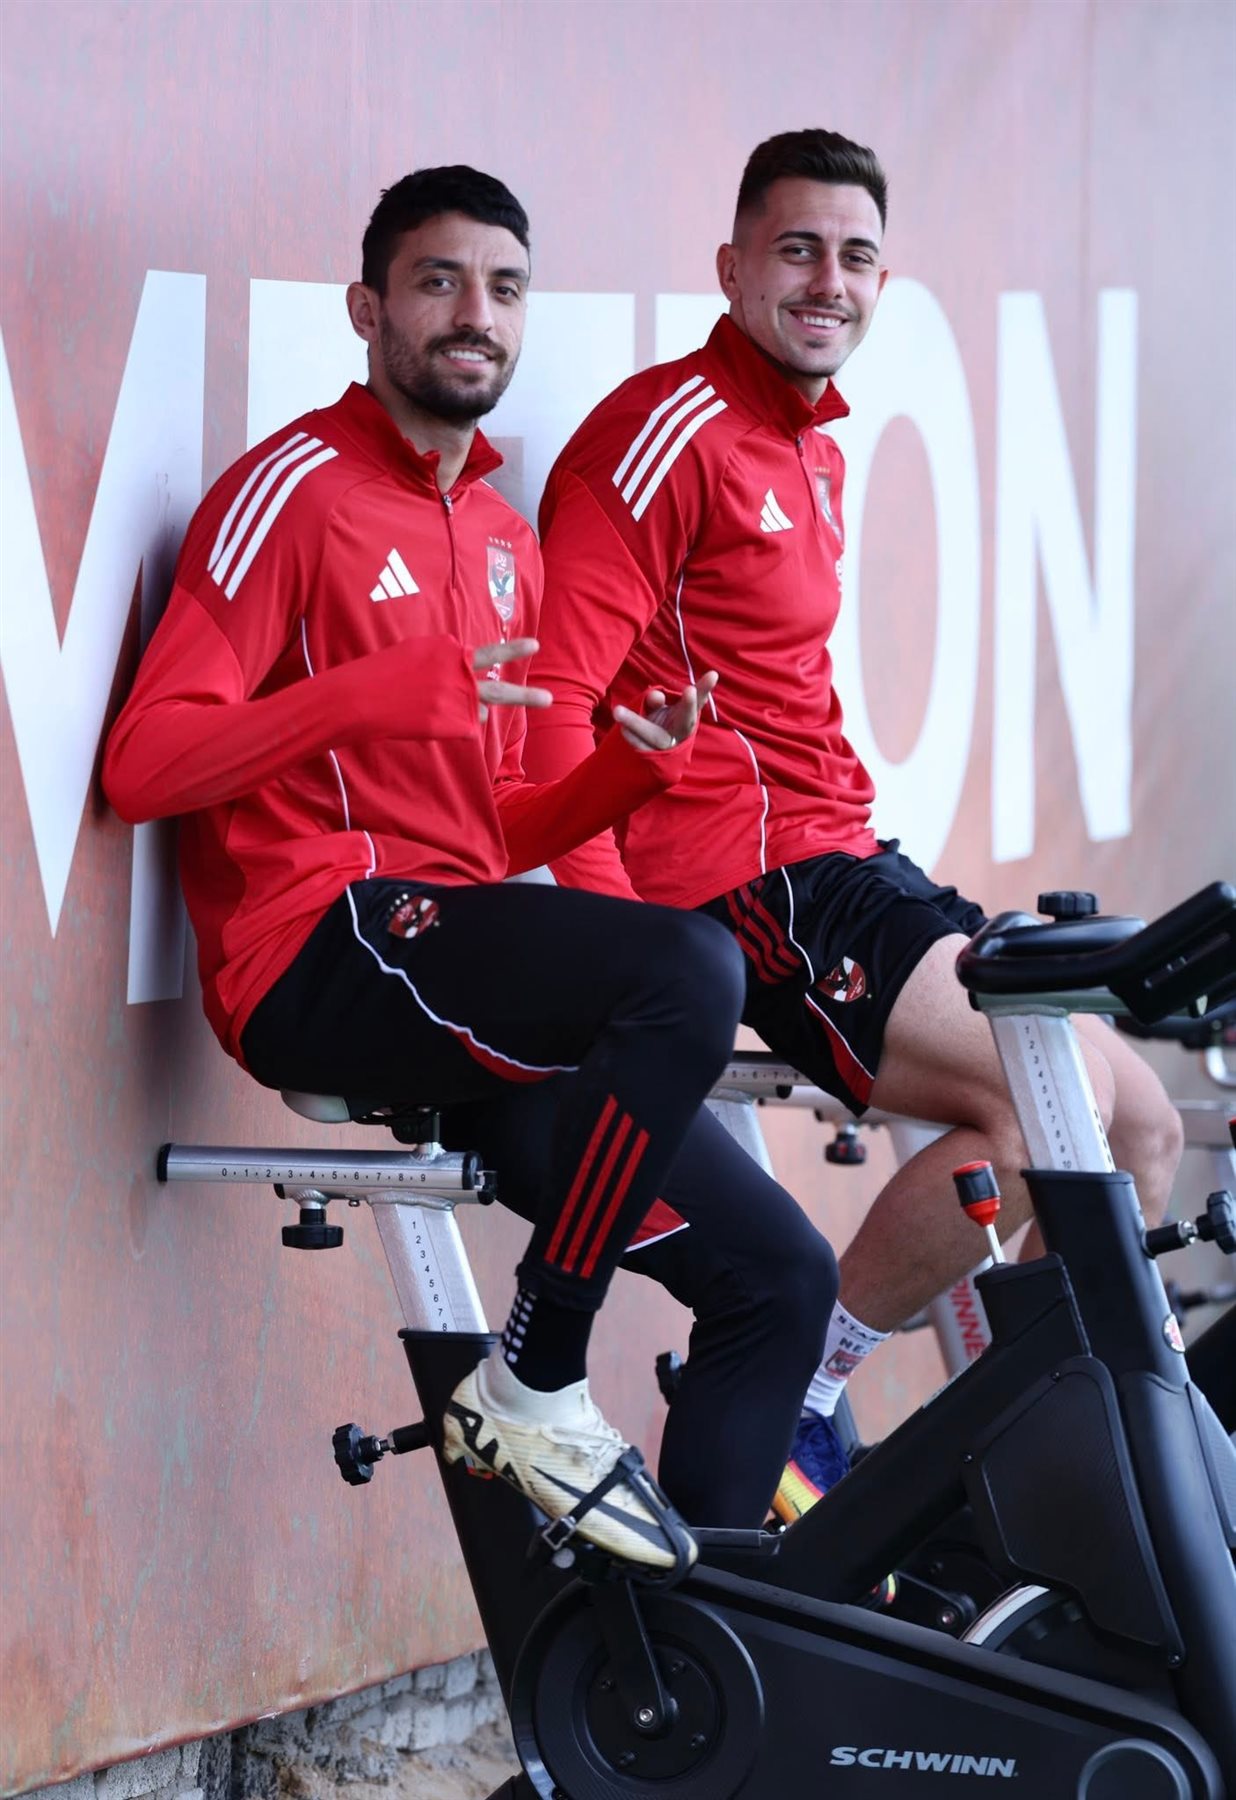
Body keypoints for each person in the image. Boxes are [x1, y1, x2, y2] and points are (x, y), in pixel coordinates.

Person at [103, 164, 839, 1570]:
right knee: (689, 967)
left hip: (444, 959)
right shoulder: (292, 492)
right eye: (438, 281)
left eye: (503, 288)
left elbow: (487, 833)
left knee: (783, 1278)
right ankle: (536, 1376)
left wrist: (628, 774)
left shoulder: (503, 536)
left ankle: (694, 1675)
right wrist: (361, 698)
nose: (474, 315)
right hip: (314, 952)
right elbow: (144, 764)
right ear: (366, 308)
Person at [524, 128, 1183, 1507]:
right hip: (747, 884)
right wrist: (630, 960)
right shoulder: (664, 436)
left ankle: (1045, 1473)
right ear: (731, 267)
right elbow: (556, 710)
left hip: (848, 858)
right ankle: (801, 1400)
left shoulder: (807, 440)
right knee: (1052, 1107)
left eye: (857, 256)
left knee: (1136, 1125)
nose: (830, 280)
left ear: (884, 280)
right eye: (798, 250)